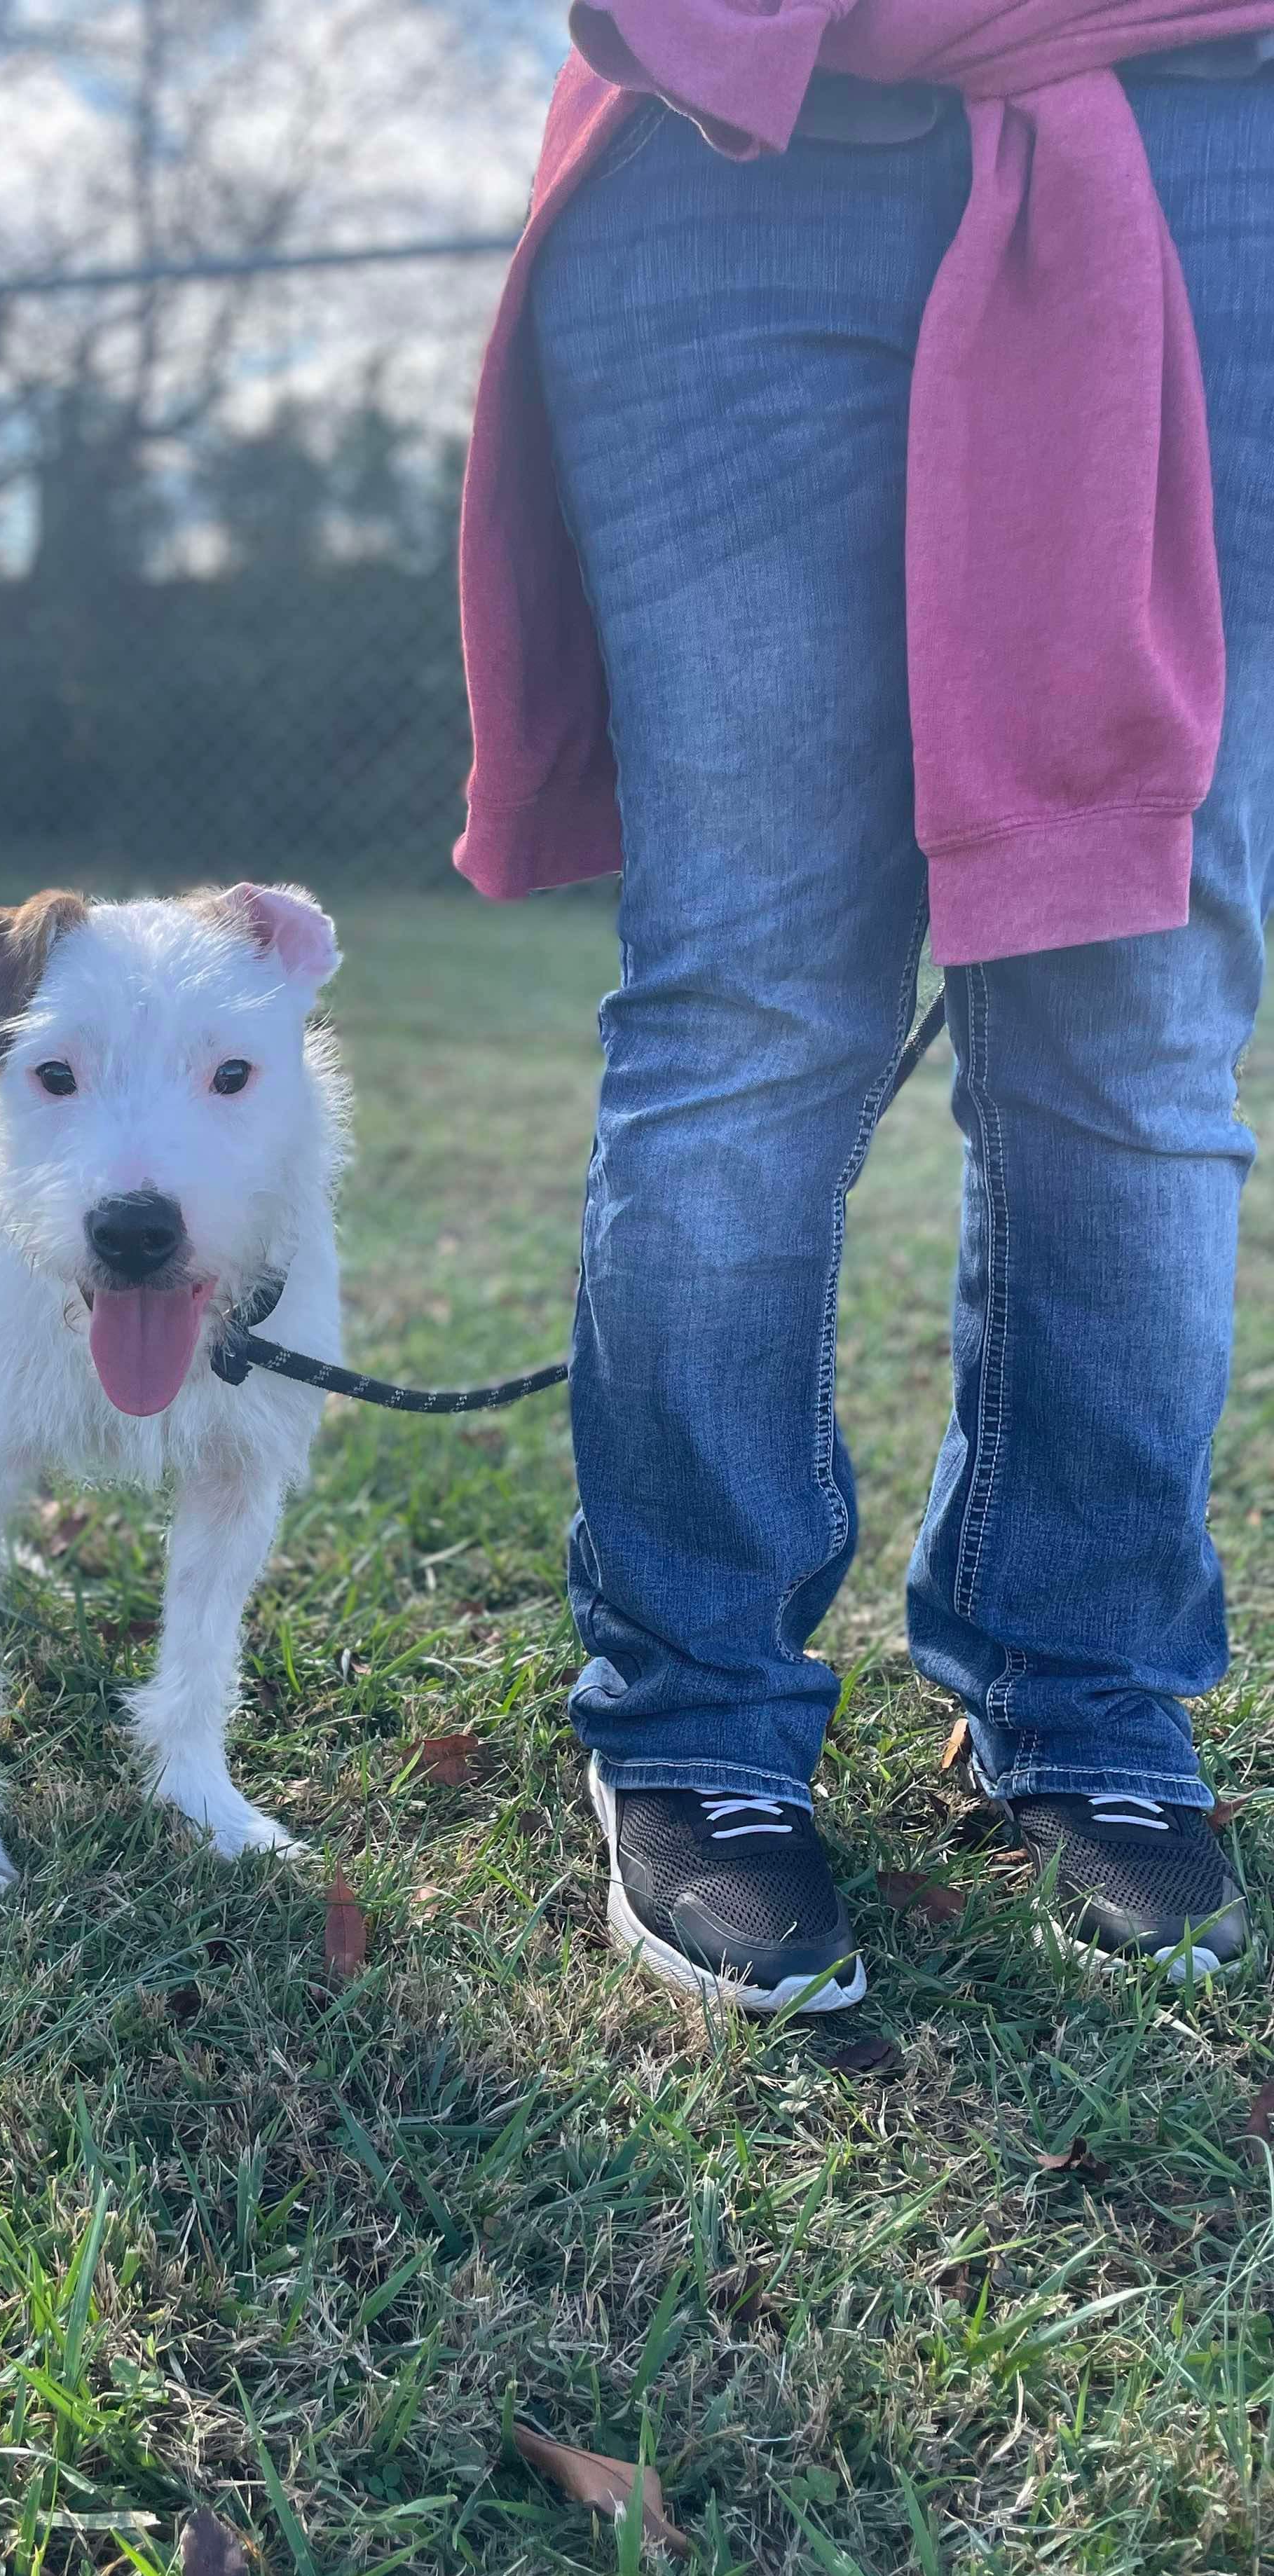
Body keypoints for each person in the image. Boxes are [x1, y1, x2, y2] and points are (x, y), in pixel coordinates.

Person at [457, 4, 1274, 2011]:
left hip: (1201, 141)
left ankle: (1085, 1698)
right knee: (748, 1000)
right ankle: (698, 1722)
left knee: (1141, 1008)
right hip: (739, 143)